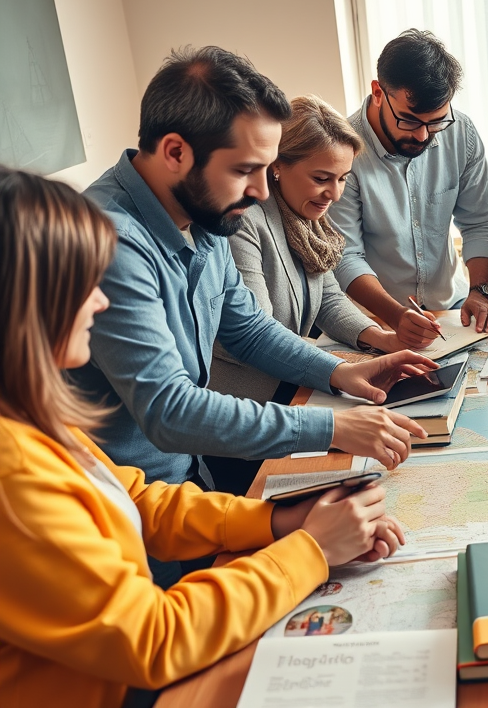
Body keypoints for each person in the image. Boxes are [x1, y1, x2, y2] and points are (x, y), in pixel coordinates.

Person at [0, 167, 406, 708]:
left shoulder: (31, 422)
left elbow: (137, 503)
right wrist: (310, 549)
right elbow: (152, 638)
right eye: (83, 286)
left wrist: (280, 520)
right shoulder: (13, 473)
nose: (100, 304)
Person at [68, 48, 432, 581]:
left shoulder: (205, 212)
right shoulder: (112, 244)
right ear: (175, 152)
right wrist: (333, 425)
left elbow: (248, 328)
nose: (262, 191)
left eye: (266, 168)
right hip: (125, 523)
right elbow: (169, 409)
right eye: (246, 170)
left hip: (191, 492)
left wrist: (338, 372)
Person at [206, 96, 404, 493]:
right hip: (249, 417)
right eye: (322, 177)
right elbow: (255, 332)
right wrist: (339, 369)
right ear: (277, 166)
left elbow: (328, 294)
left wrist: (382, 337)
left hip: (292, 392)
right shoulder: (247, 221)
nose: (335, 192)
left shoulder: (306, 214)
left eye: (343, 178)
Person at [330, 29, 488, 348]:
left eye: (436, 122)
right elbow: (346, 255)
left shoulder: (461, 132)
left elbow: (478, 222)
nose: (424, 136)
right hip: (376, 319)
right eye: (409, 121)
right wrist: (396, 316)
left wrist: (480, 292)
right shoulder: (344, 150)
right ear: (379, 92)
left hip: (452, 308)